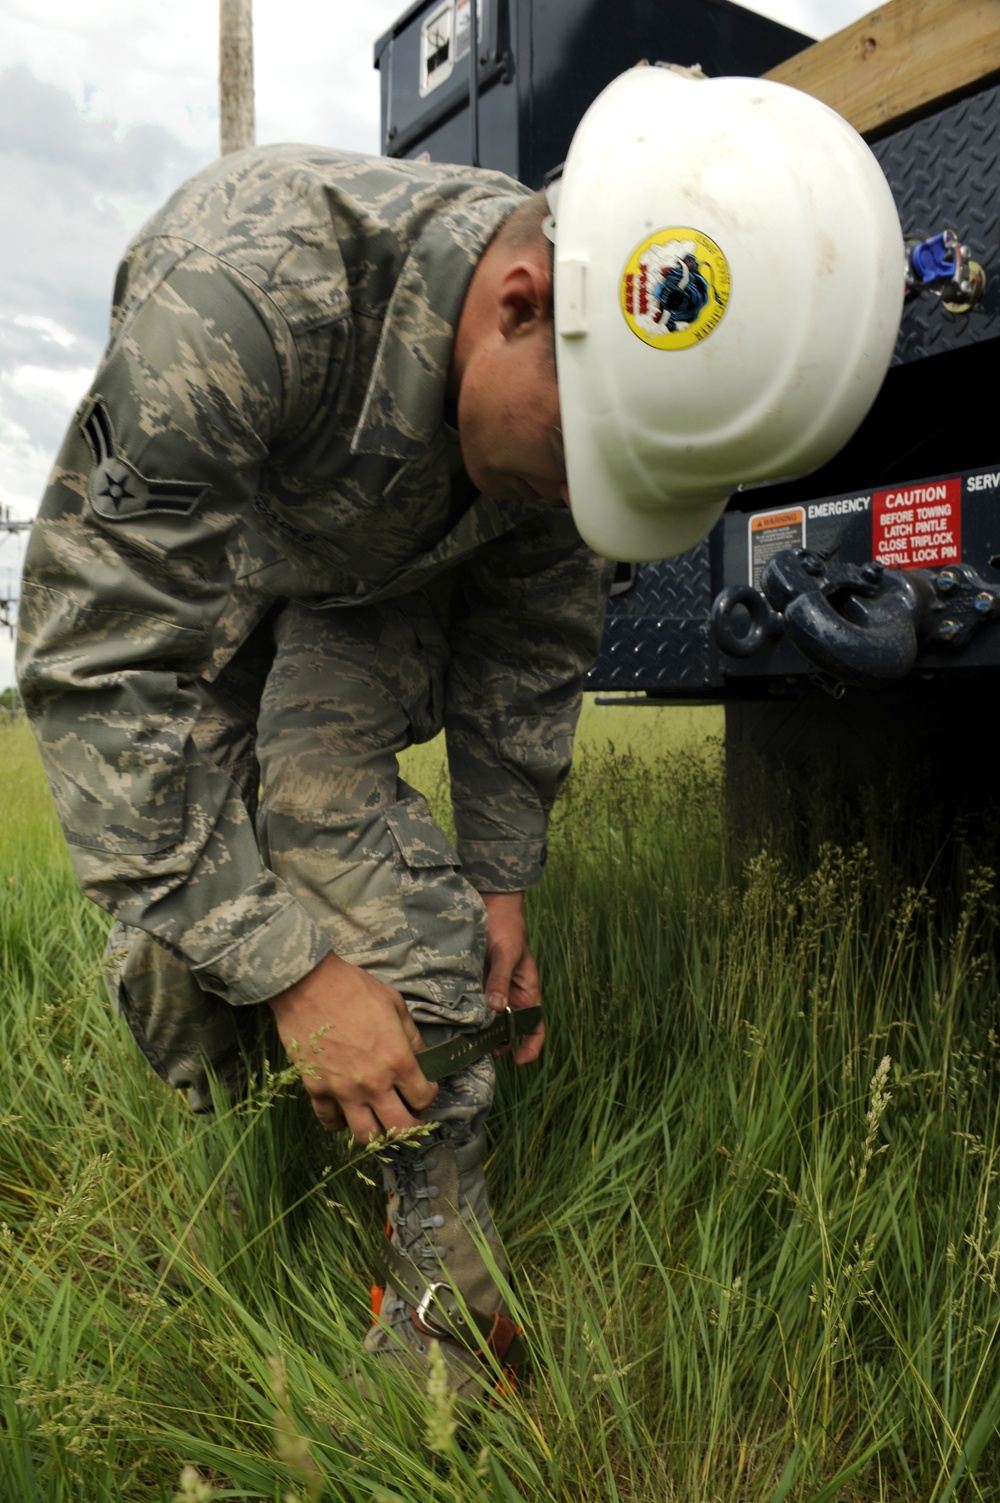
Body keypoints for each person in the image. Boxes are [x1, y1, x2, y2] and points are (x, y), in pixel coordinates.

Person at [16, 63, 903, 1403]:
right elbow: (102, 670)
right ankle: (273, 1117)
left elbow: (529, 647)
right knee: (177, 953)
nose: (572, 497)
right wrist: (299, 981)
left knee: (320, 798)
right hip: (239, 556)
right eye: (575, 467)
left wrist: (499, 885)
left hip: (388, 582)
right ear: (518, 302)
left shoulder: (574, 398)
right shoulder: (248, 294)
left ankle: (442, 1258)